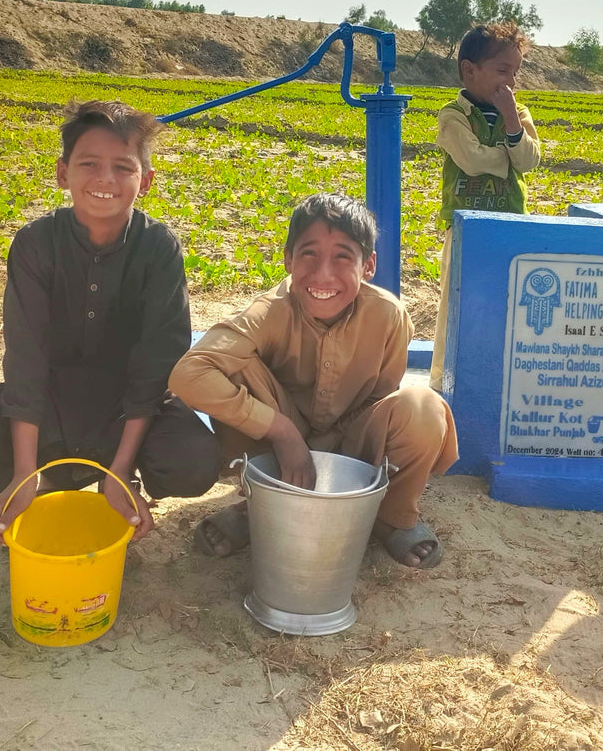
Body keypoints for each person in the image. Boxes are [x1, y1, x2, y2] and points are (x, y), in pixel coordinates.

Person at [0, 100, 221, 543]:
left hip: (125, 411)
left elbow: (154, 366)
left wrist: (120, 469)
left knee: (194, 461)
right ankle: (47, 482)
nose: (105, 179)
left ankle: (118, 481)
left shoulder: (159, 249)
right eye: (89, 163)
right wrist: (22, 474)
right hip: (51, 405)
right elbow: (27, 359)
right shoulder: (36, 243)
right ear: (63, 173)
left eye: (122, 167)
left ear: (145, 181)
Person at [169, 193, 458, 568]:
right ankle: (258, 506)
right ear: (288, 259)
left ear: (368, 265)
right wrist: (282, 431)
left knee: (421, 405)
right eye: (308, 254)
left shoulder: (390, 316)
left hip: (351, 447)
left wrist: (336, 454)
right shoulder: (267, 312)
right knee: (229, 365)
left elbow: (380, 398)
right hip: (273, 453)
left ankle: (390, 517)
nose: (323, 274)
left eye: (342, 256)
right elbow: (187, 375)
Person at [429, 22, 542, 391]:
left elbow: (528, 161)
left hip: (509, 226)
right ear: (469, 70)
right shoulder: (453, 115)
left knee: (505, 304)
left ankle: (496, 378)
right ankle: (442, 382)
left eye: (516, 73)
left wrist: (511, 121)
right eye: (502, 71)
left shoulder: (520, 114)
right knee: (455, 306)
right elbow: (472, 161)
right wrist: (507, 155)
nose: (511, 82)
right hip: (463, 227)